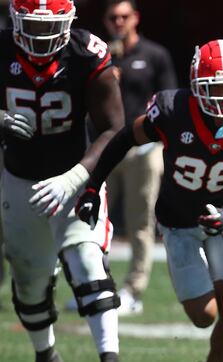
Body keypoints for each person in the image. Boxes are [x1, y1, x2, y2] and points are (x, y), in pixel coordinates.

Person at [75, 39, 223, 362]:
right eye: (215, 89)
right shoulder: (172, 111)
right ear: (196, 87)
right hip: (178, 220)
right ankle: (211, 287)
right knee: (205, 317)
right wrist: (93, 184)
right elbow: (123, 139)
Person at [0, 0, 128, 362]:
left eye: (50, 26)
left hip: (74, 175)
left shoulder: (86, 53)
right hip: (19, 178)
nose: (41, 37)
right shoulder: (2, 47)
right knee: (29, 280)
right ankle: (46, 361)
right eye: (32, 27)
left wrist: (78, 176)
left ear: (69, 22)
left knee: (88, 264)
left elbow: (113, 127)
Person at [65, 0, 177, 315]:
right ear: (105, 20)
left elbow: (169, 100)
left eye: (124, 16)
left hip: (143, 150)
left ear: (135, 18)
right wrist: (103, 80)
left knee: (141, 223)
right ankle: (93, 287)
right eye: (113, 17)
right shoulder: (95, 55)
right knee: (91, 218)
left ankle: (133, 291)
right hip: (104, 147)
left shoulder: (154, 55)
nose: (118, 22)